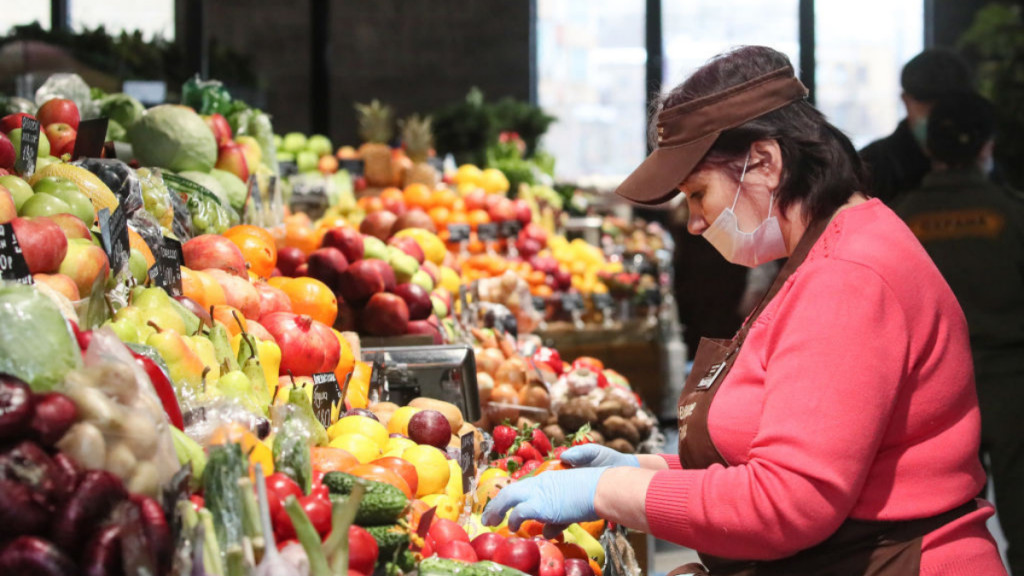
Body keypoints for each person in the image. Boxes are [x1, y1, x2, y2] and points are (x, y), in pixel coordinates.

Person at [482, 46, 1007, 575]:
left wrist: (611, 491)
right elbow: (790, 449)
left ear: (765, 163)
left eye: (697, 193)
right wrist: (648, 468)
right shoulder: (822, 252)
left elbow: (787, 502)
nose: (693, 223)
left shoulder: (848, 277)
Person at [894, 90, 1024, 574]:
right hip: (1012, 389)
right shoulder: (1013, 213)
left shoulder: (898, 221)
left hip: (930, 397)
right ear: (987, 145)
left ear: (929, 146)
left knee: (944, 533)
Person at [860, 48, 973, 205]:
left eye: (949, 105)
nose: (940, 115)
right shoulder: (871, 166)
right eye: (929, 105)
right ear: (906, 101)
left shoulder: (980, 157)